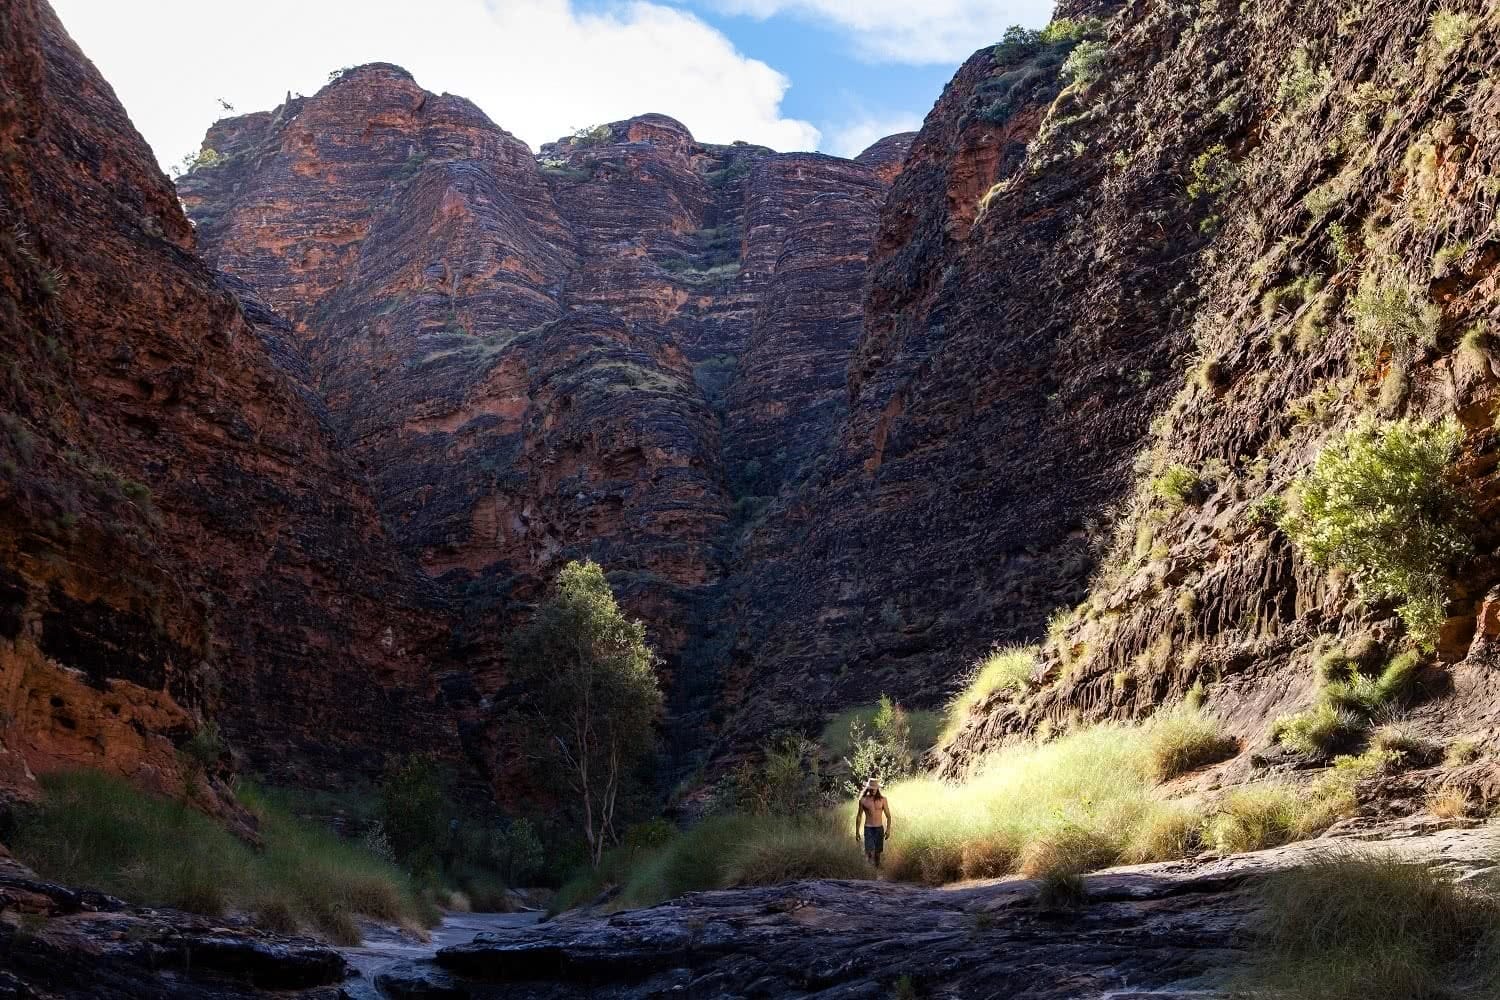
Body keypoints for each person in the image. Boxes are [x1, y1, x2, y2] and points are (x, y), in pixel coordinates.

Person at [854, 777, 893, 868]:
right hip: (868, 828)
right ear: (868, 788)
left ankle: (876, 872)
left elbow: (888, 816)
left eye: (875, 788)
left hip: (879, 828)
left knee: (877, 854)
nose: (873, 790)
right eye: (871, 788)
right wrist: (857, 832)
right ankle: (870, 871)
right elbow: (859, 816)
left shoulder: (883, 800)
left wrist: (888, 830)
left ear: (877, 788)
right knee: (869, 852)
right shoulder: (863, 800)